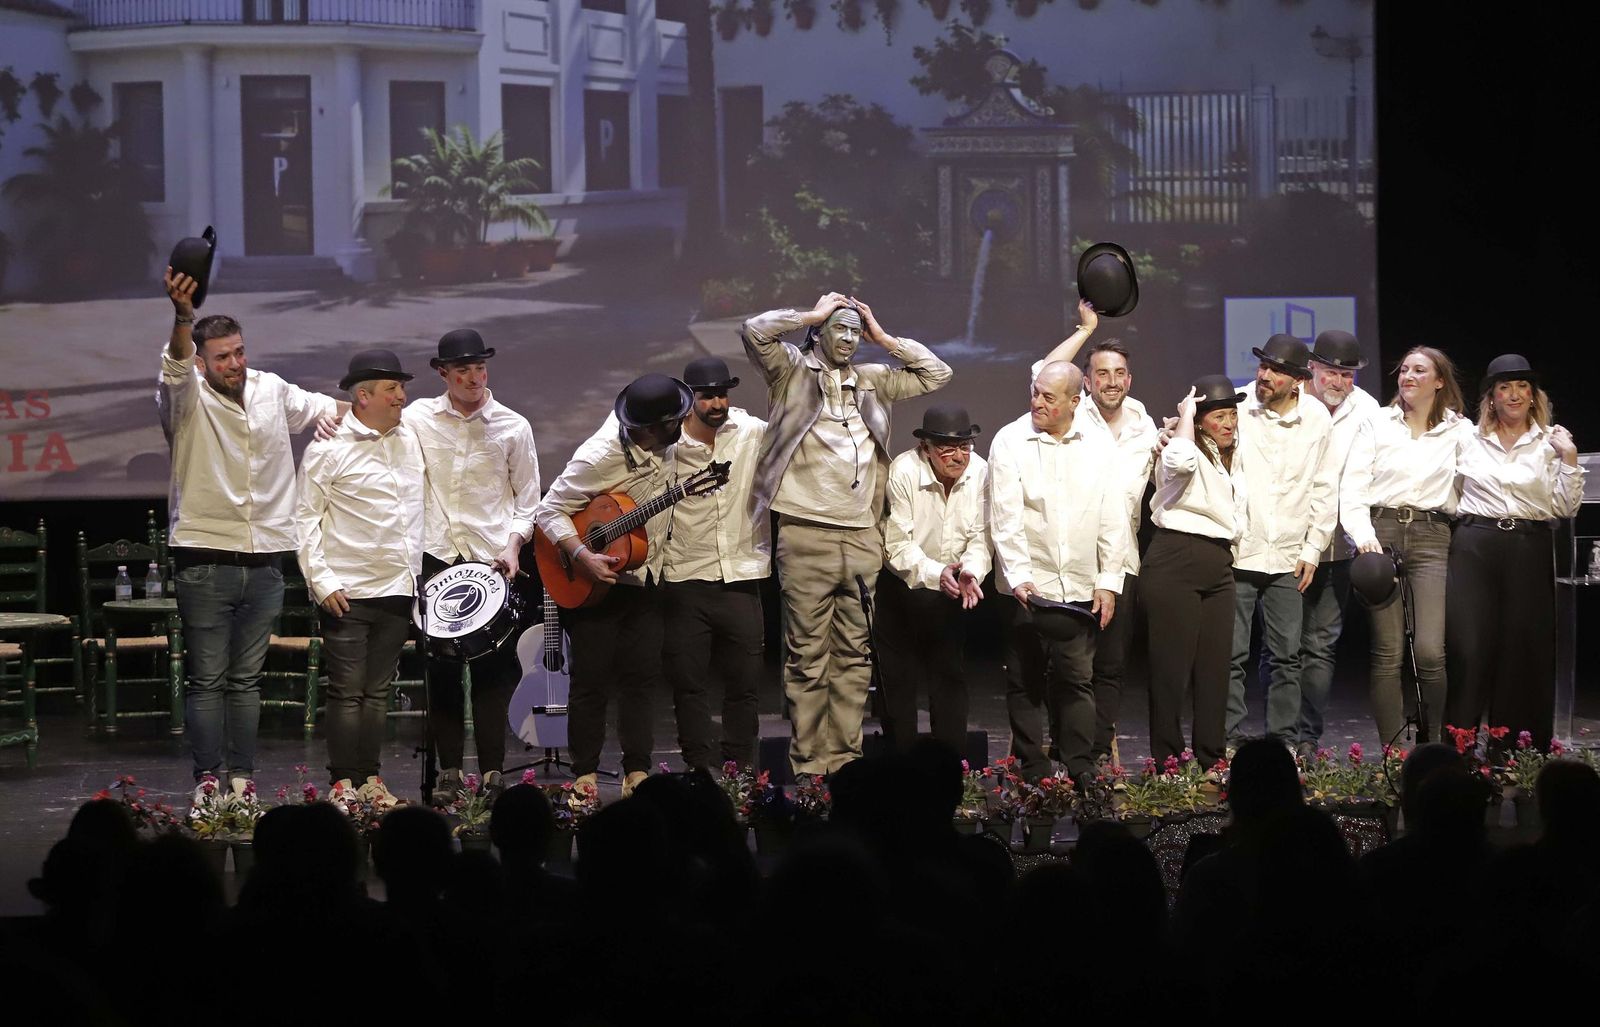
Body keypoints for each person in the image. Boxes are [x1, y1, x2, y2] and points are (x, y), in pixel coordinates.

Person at [743, 292, 952, 775]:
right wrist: (811, 314)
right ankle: (810, 765)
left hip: (862, 535)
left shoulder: (873, 381)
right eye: (840, 328)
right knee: (807, 655)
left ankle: (846, 761)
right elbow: (755, 330)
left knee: (855, 655)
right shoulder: (791, 372)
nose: (849, 338)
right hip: (806, 531)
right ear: (819, 333)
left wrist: (884, 338)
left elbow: (936, 373)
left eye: (856, 332)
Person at [157, 267, 346, 801]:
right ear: (202, 361)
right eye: (222, 357)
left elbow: (328, 408)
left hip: (266, 560)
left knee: (246, 681)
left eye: (238, 352)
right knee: (207, 680)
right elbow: (173, 366)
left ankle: (241, 779)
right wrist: (183, 316)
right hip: (205, 559)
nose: (235, 364)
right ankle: (207, 780)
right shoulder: (185, 397)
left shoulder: (270, 390)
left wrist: (365, 414)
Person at [533, 374, 691, 797]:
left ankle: (636, 770)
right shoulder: (599, 457)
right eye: (673, 421)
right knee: (591, 680)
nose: (682, 424)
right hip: (593, 583)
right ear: (645, 429)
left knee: (641, 679)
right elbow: (549, 512)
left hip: (645, 577)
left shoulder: (665, 440)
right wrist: (582, 556)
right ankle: (584, 772)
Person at [408, 329, 540, 805]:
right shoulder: (417, 418)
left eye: (479, 368)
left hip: (491, 559)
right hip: (436, 554)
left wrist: (513, 547)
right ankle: (446, 771)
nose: (473, 377)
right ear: (443, 373)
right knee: (440, 671)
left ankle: (491, 772)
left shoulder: (512, 426)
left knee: (492, 670)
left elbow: (528, 502)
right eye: (462, 370)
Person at [295, 350, 425, 803]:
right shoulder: (328, 447)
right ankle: (342, 783)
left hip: (397, 587)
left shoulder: (411, 439)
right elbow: (305, 519)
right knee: (347, 693)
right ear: (363, 396)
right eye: (392, 389)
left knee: (377, 693)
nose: (402, 397)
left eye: (401, 388)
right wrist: (321, 581)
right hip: (347, 591)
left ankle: (370, 780)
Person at [989, 360, 1127, 786]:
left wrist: (1108, 581)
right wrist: (1019, 579)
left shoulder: (1098, 444)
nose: (1037, 403)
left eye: (1049, 397)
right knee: (1025, 679)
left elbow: (1112, 516)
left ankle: (1080, 763)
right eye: (1035, 393)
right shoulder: (1011, 440)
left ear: (1074, 400)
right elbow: (1005, 518)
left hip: (1080, 584)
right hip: (1026, 587)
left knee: (1077, 678)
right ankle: (1032, 766)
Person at [1038, 309, 1158, 764]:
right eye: (1102, 373)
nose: (1112, 381)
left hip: (1121, 559)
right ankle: (1062, 744)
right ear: (1085, 381)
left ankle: (1092, 750)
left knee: (1110, 665)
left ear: (1130, 379)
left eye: (1120, 373)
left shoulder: (1144, 423)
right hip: (1070, 558)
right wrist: (1085, 330)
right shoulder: (1071, 413)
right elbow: (1042, 372)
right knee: (1067, 665)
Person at [1445, 354, 1583, 750]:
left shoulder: (1551, 442)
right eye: (1504, 387)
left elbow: (1564, 507)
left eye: (1522, 386)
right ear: (1491, 397)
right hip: (1475, 545)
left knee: (1520, 652)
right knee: (1469, 649)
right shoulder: (1466, 438)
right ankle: (1460, 753)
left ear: (1533, 395)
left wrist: (1569, 459)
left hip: (1528, 546)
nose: (1514, 394)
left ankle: (1514, 756)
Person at [1340, 346, 1468, 747]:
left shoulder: (1460, 431)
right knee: (1388, 651)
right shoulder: (1377, 423)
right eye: (1404, 370)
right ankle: (1393, 754)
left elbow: (1480, 482)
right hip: (1382, 534)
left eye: (1419, 370)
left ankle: (1433, 751)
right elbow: (1353, 485)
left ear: (1439, 381)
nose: (1408, 376)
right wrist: (1364, 538)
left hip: (1433, 535)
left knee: (1430, 651)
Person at [661, 356, 770, 773]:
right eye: (708, 397)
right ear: (689, 400)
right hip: (686, 578)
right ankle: (700, 769)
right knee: (689, 686)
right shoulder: (666, 444)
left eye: (722, 394)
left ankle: (739, 770)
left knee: (744, 685)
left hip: (742, 577)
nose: (717, 403)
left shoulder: (750, 431)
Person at [1227, 334, 1335, 747]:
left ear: (1298, 381)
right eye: (1262, 366)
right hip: (1240, 550)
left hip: (1289, 556)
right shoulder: (1237, 404)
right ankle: (1227, 741)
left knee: (1287, 656)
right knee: (1231, 655)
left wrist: (1313, 548)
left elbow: (1325, 486)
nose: (1264, 375)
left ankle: (1283, 743)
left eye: (1275, 370)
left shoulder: (1317, 418)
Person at [1142, 376, 1247, 768]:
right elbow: (1180, 461)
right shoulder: (1177, 448)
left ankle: (1211, 758)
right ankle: (1167, 761)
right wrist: (1184, 415)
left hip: (1218, 562)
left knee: (1215, 669)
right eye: (1219, 415)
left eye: (1233, 415)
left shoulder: (1226, 457)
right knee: (1171, 671)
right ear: (1200, 420)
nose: (1229, 423)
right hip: (1176, 558)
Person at [878, 404, 990, 753]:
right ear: (926, 448)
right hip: (903, 586)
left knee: (949, 678)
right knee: (897, 683)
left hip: (953, 586)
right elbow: (896, 544)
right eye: (947, 448)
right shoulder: (904, 470)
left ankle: (951, 770)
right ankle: (900, 765)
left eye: (965, 446)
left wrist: (970, 569)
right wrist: (934, 572)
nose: (959, 456)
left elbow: (981, 535)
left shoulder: (981, 471)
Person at [1295, 330, 1381, 757]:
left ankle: (1306, 737)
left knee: (1321, 644)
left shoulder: (1366, 410)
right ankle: (1281, 734)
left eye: (1347, 375)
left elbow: (1359, 481)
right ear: (1312, 368)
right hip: (1289, 545)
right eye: (1332, 372)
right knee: (1284, 644)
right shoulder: (1289, 398)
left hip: (1338, 548)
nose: (1340, 383)